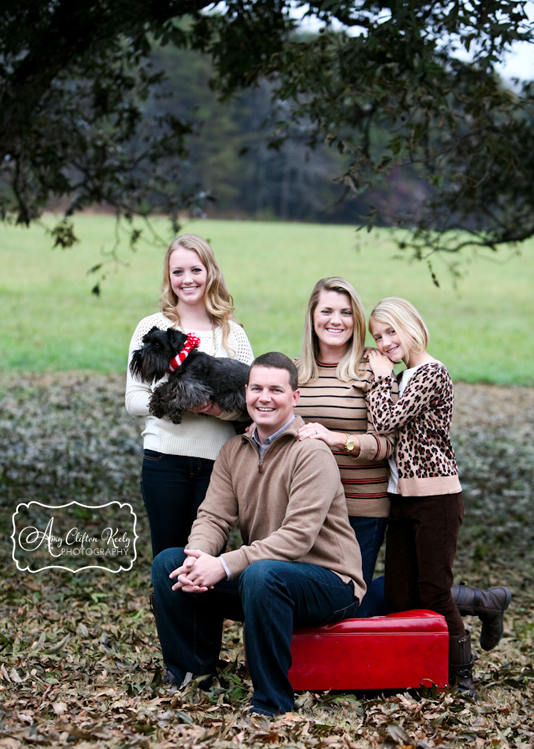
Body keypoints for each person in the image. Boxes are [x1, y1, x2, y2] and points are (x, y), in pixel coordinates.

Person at [151, 352, 366, 716]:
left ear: (294, 398)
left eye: (275, 390)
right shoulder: (234, 450)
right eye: (256, 388)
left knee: (263, 574)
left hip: (330, 581)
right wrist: (197, 557)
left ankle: (272, 703)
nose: (264, 397)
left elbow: (297, 538)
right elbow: (213, 516)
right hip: (265, 578)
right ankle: (193, 678)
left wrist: (224, 565)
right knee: (169, 563)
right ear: (245, 392)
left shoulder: (311, 452)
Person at [365, 297, 510, 693]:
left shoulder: (432, 373)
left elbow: (387, 419)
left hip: (437, 498)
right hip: (400, 497)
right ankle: (480, 604)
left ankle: (462, 674)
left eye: (391, 331)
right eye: (378, 336)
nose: (385, 342)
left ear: (412, 325)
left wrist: (379, 377)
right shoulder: (398, 379)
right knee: (399, 594)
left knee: (433, 590)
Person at [125, 234, 254, 557]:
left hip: (219, 466)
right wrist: (172, 403)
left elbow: (254, 403)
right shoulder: (151, 328)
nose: (187, 280)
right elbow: (133, 400)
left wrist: (213, 410)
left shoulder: (232, 333)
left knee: (206, 562)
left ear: (210, 272)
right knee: (167, 558)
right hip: (163, 461)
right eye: (177, 272)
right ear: (168, 277)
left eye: (195, 270)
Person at [294, 277, 396, 615]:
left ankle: (444, 593)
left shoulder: (373, 369)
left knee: (350, 603)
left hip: (361, 507)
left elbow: (389, 443)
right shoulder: (296, 372)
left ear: (357, 320)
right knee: (315, 600)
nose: (335, 320)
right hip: (310, 508)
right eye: (326, 310)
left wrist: (335, 438)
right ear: (312, 316)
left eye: (346, 312)